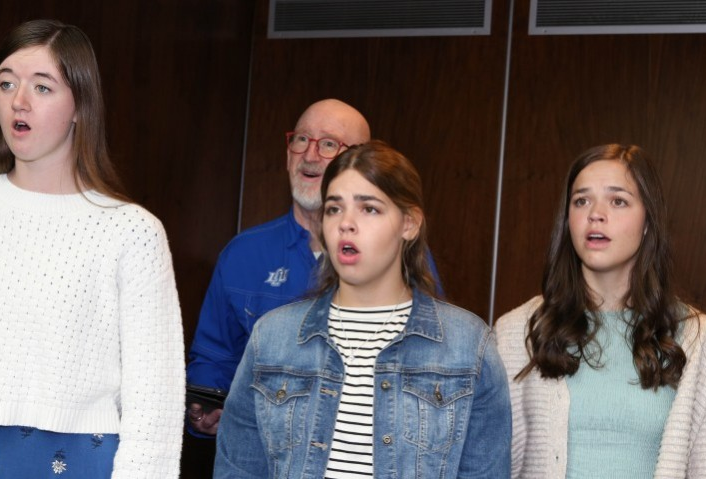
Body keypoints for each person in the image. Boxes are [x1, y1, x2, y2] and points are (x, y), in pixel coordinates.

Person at [0, 20, 185, 478]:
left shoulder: (133, 231)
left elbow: (155, 400)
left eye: (42, 87)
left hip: (83, 460)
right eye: (6, 83)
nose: (18, 101)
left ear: (80, 106)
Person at [214, 140, 511, 478]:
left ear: (409, 224)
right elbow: (238, 468)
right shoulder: (272, 337)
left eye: (369, 208)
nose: (346, 223)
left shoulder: (468, 345)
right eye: (334, 208)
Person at [495, 144, 706, 478]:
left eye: (618, 201)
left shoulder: (701, 342)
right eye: (581, 201)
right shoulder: (517, 331)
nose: (595, 214)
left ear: (648, 221)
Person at [184, 99, 372, 441]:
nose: (310, 156)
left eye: (328, 144)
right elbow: (215, 357)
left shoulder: (392, 256)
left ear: (362, 162)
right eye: (301, 140)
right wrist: (206, 405)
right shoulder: (243, 254)